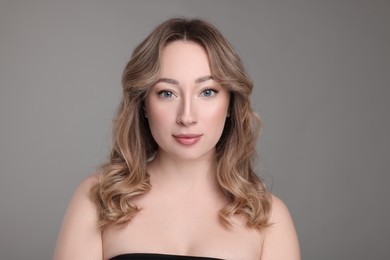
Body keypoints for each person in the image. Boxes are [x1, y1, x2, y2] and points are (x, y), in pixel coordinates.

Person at [53, 18, 300, 260]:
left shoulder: (269, 218)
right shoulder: (98, 199)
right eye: (167, 93)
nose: (187, 117)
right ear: (144, 105)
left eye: (207, 91)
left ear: (230, 104)